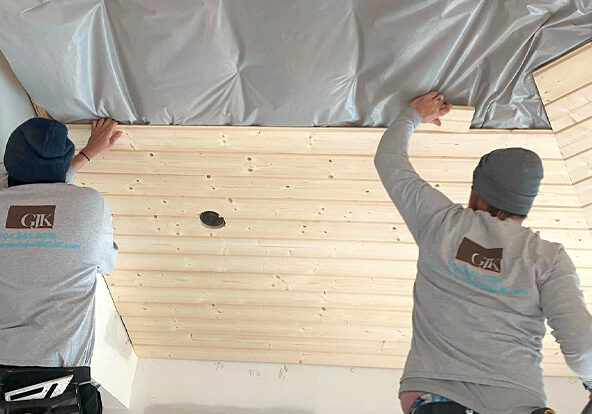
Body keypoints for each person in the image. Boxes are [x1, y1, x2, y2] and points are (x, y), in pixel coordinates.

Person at [374, 91, 592, 414]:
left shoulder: (441, 222)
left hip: (434, 398)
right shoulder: (547, 258)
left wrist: (414, 114)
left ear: (477, 193)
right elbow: (582, 347)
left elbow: (389, 160)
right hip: (513, 404)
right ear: (524, 208)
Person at [0, 117, 121, 413]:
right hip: (48, 379)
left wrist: (85, 156)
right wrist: (86, 154)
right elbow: (106, 263)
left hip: (61, 386)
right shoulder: (90, 205)